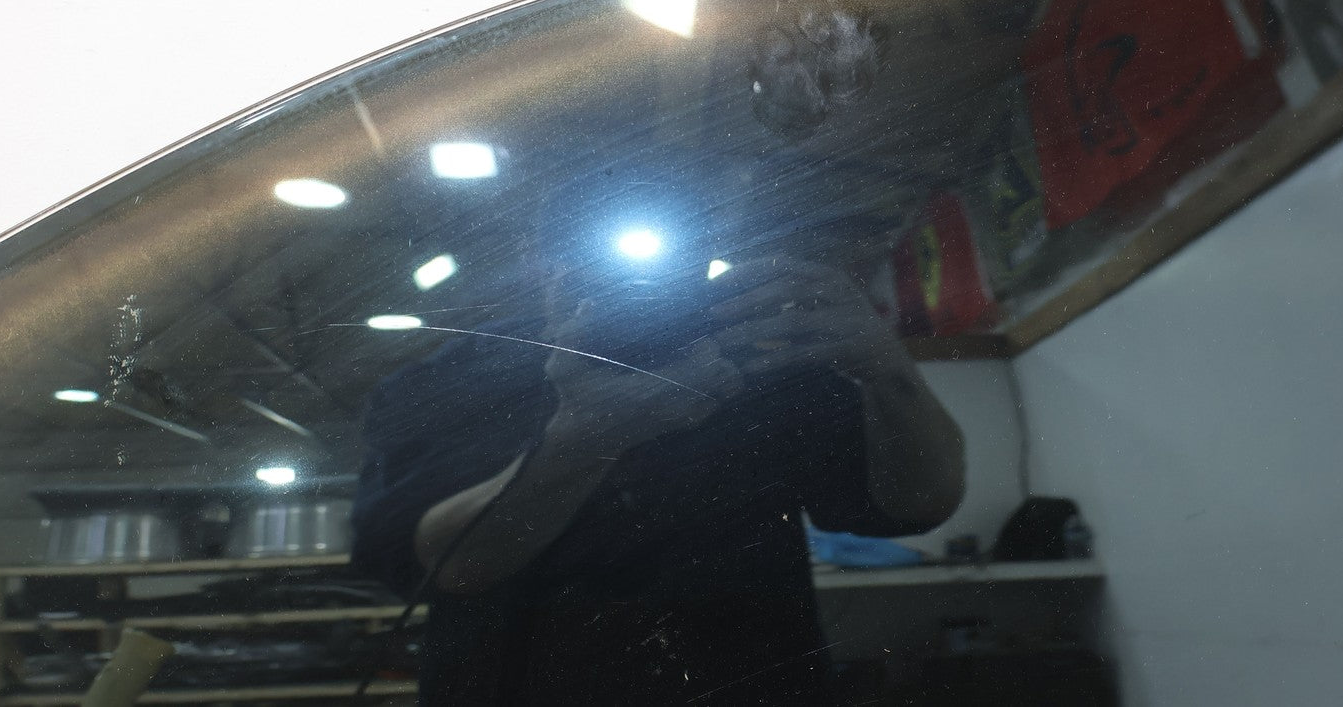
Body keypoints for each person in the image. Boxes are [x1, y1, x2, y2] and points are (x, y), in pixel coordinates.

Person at [351, 253, 965, 705]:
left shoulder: (763, 356)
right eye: (588, 255)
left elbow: (916, 507)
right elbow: (435, 563)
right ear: (544, 266)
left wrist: (886, 367)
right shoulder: (451, 379)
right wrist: (580, 439)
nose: (626, 283)